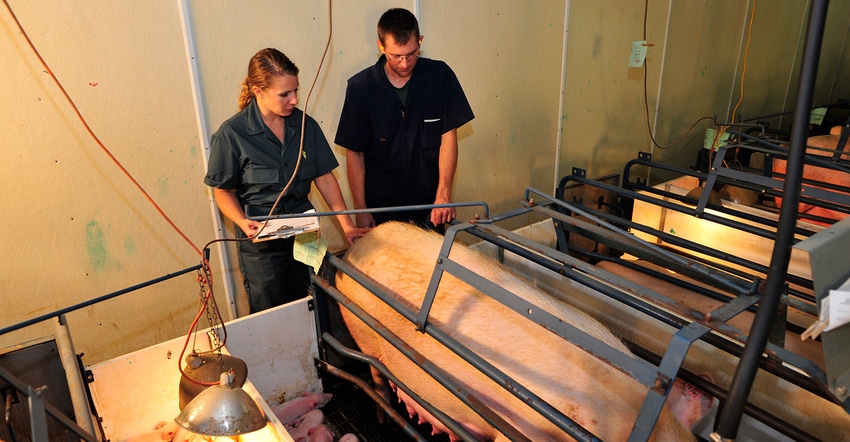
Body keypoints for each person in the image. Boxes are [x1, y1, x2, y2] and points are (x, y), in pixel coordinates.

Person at [205, 48, 368, 313]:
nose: (293, 100)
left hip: (304, 235)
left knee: (313, 305)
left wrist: (347, 225)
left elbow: (324, 177)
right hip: (263, 247)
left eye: (295, 91)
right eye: (285, 94)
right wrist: (242, 221)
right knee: (272, 314)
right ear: (258, 91)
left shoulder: (305, 126)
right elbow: (223, 191)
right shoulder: (232, 135)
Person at [335, 8, 474, 230]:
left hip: (429, 208)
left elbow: (448, 137)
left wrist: (444, 193)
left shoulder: (440, 78)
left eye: (411, 54)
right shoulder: (361, 89)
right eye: (395, 56)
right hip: (382, 211)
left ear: (420, 41)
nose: (404, 63)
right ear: (380, 47)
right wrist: (361, 210)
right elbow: (355, 153)